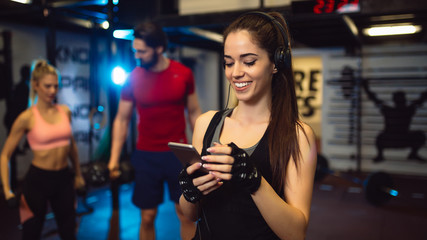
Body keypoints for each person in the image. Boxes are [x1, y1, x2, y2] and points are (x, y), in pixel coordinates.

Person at [178, 11, 317, 240]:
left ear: (275, 63)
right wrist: (190, 193)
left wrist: (254, 180)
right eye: (228, 63)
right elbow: (190, 214)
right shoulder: (206, 124)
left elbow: (296, 233)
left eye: (249, 61)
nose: (236, 73)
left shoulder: (297, 135)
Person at [107, 22, 201, 240]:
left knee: (186, 214)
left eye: (142, 51)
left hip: (177, 154)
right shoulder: (133, 78)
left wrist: (201, 150)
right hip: (146, 155)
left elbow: (195, 113)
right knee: (147, 217)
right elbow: (121, 119)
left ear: (159, 48)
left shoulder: (183, 74)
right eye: (135, 51)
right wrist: (113, 159)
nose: (137, 56)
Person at [0, 59, 85, 240]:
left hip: (63, 179)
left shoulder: (65, 112)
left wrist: (78, 174)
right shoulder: (27, 117)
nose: (53, 91)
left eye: (56, 86)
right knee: (31, 234)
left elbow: (72, 148)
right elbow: (5, 155)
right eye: (47, 86)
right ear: (35, 85)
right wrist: (7, 190)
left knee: (69, 233)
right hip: (37, 181)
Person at [363, 79, 427, 162]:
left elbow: (374, 99)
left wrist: (365, 87)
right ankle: (380, 155)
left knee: (420, 134)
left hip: (397, 140)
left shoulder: (392, 110)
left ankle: (381, 155)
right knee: (380, 137)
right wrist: (365, 87)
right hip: (396, 140)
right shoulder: (406, 110)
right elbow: (422, 99)